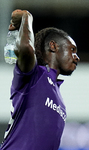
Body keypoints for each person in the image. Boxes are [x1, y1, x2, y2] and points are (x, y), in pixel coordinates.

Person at [0, 9, 80, 150]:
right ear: (53, 46)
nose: (77, 57)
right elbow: (26, 49)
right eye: (72, 50)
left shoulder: (58, 95)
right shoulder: (34, 75)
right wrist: (27, 17)